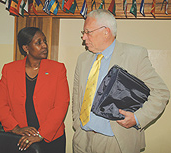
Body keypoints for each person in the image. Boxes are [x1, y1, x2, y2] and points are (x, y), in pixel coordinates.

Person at [72, 9, 170, 153]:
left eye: (88, 32)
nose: (84, 38)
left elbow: (161, 92)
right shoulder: (83, 59)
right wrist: (77, 122)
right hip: (82, 140)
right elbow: (76, 95)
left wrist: (137, 118)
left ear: (106, 31)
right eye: (83, 33)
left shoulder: (134, 55)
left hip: (115, 142)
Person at [0, 27, 70, 153]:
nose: (45, 45)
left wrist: (41, 134)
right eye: (38, 42)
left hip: (51, 139)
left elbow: (61, 106)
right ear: (26, 48)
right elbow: (1, 104)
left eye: (44, 41)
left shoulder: (57, 69)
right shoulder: (9, 70)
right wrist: (16, 128)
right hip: (21, 139)